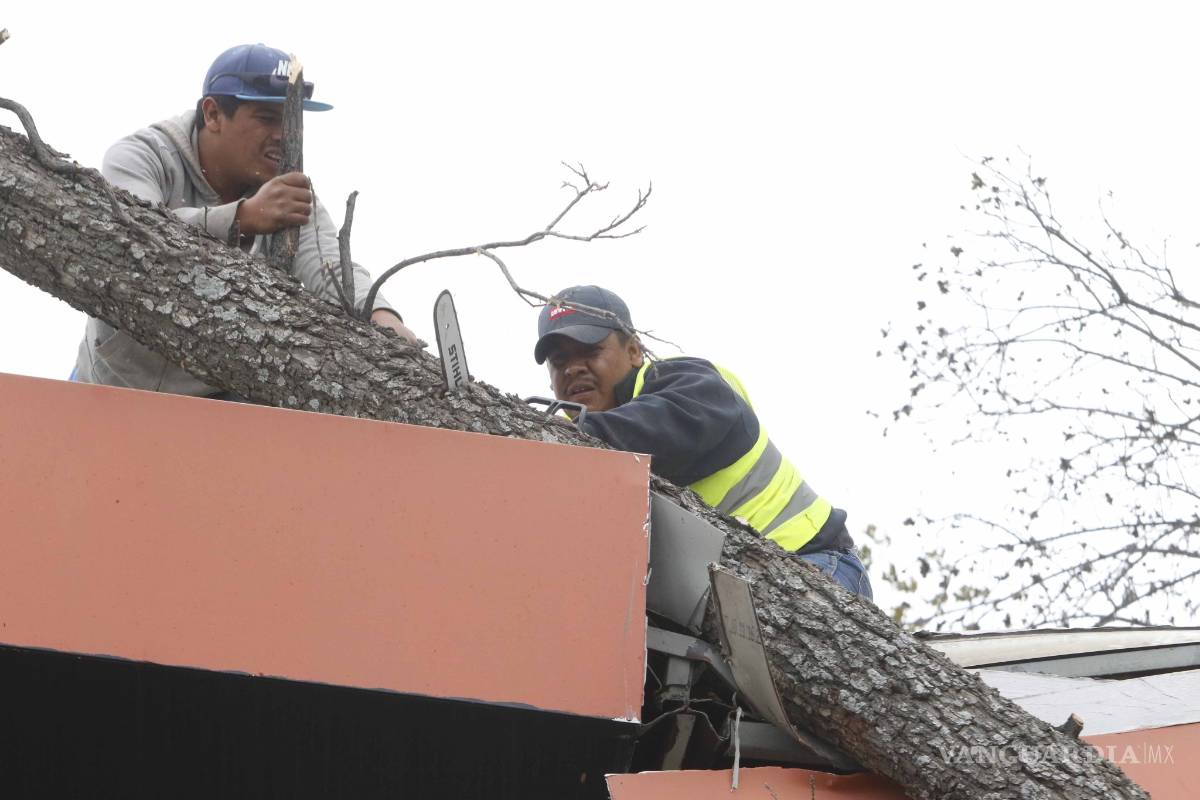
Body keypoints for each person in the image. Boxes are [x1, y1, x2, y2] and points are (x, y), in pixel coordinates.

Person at [73, 43, 416, 395]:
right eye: (267, 118)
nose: (283, 134)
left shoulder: (287, 190)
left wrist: (380, 316)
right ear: (213, 114)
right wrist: (242, 218)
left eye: (290, 119)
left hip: (217, 405)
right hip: (111, 389)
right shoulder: (141, 157)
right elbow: (133, 235)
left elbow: (328, 265)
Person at [533, 285, 873, 598]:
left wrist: (565, 436)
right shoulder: (586, 451)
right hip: (729, 594)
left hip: (815, 564)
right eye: (559, 361)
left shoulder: (688, 381)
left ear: (635, 350)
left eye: (591, 351)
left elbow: (665, 426)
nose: (573, 369)